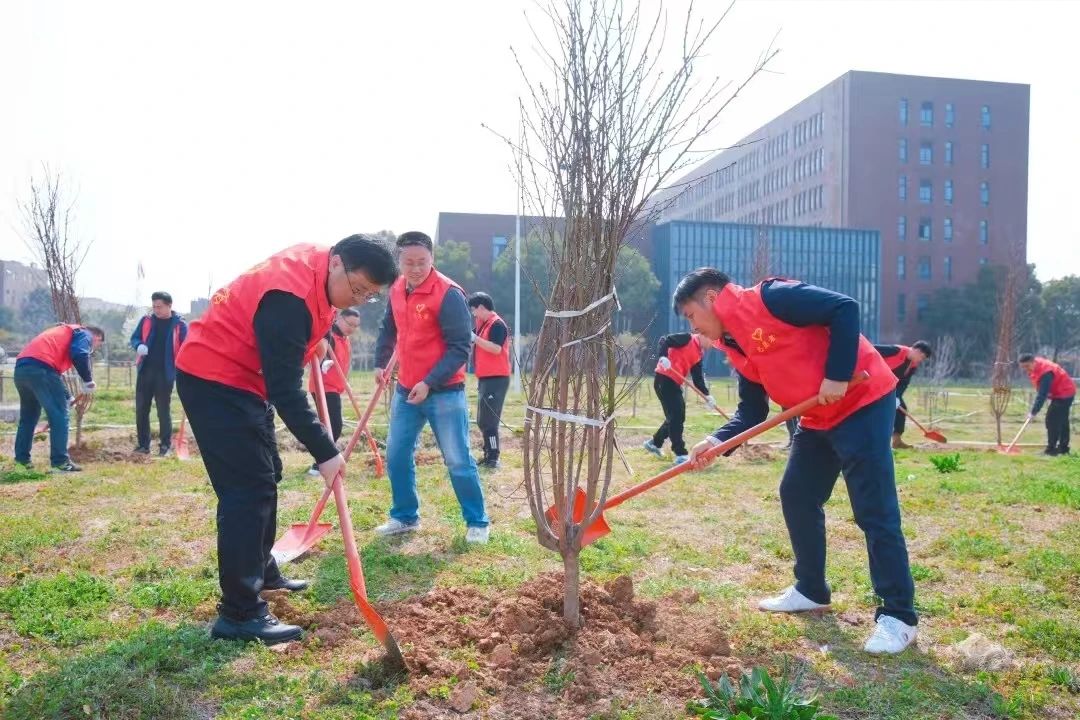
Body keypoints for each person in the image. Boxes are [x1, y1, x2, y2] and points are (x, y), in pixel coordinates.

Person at [676, 269, 917, 655]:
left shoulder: (772, 297)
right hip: (818, 416)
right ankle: (811, 589)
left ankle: (899, 616)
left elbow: (844, 308)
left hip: (862, 402)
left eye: (690, 315)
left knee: (873, 509)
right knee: (797, 494)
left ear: (710, 298)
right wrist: (716, 442)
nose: (693, 327)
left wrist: (837, 375)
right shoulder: (736, 344)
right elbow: (752, 410)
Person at [174, 235, 397, 645]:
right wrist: (325, 451)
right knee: (247, 489)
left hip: (245, 379)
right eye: (357, 288)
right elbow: (286, 391)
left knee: (267, 474)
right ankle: (239, 613)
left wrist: (318, 335)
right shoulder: (289, 299)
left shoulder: (318, 269)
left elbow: (307, 322)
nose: (357, 300)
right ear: (336, 262)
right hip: (215, 376)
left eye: (368, 296)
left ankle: (261, 570)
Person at [373, 231, 490, 543]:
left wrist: (429, 382)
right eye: (409, 262)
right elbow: (388, 328)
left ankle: (477, 522)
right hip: (406, 390)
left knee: (457, 458)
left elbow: (460, 348)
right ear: (399, 261)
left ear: (432, 259)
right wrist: (380, 362)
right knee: (397, 454)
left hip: (444, 391)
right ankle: (404, 516)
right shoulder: (396, 289)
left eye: (422, 262)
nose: (415, 269)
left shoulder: (449, 294)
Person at [14, 323, 105, 472]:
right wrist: (88, 380)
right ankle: (60, 463)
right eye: (98, 345)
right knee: (60, 416)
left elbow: (54, 374)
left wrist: (68, 397)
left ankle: (21, 462)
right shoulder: (84, 334)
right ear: (97, 337)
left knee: (28, 418)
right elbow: (79, 354)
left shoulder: (65, 332)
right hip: (41, 370)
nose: (94, 348)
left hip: (22, 370)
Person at [130, 291, 189, 455]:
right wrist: (138, 345)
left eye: (160, 306)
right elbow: (134, 338)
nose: (156, 310)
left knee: (163, 410)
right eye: (154, 306)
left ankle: (165, 446)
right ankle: (143, 445)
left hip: (165, 374)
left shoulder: (180, 325)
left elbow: (186, 348)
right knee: (141, 409)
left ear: (169, 306)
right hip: (145, 372)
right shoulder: (146, 321)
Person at [643, 332, 715, 465]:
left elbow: (698, 379)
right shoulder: (687, 338)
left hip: (674, 383)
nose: (713, 344)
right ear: (704, 335)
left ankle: (654, 443)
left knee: (675, 416)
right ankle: (680, 453)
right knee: (676, 416)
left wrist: (707, 395)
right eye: (712, 340)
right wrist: (663, 357)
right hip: (664, 379)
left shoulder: (699, 354)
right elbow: (666, 340)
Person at [306, 308, 361, 475]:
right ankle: (320, 462)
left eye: (355, 326)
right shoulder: (328, 336)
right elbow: (318, 355)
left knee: (330, 425)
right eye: (349, 324)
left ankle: (324, 459)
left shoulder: (345, 339)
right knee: (333, 426)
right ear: (339, 319)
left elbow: (344, 362)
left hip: (335, 387)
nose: (352, 328)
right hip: (323, 387)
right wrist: (324, 362)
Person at [467, 292, 511, 470]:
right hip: (485, 378)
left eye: (474, 310)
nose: (473, 314)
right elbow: (469, 338)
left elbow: (496, 348)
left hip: (497, 379)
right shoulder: (483, 324)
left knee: (490, 421)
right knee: (482, 420)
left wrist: (475, 339)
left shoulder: (497, 324)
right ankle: (487, 454)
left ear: (481, 307)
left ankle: (494, 457)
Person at [874, 341, 933, 450]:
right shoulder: (895, 350)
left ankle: (897, 440)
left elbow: (904, 383)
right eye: (922, 357)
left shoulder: (913, 365)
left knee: (902, 409)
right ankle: (875, 442)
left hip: (888, 389)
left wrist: (897, 396)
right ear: (917, 351)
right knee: (878, 412)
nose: (921, 360)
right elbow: (871, 350)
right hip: (872, 384)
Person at [1018, 353, 1075, 456]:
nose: (1025, 369)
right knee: (1062, 421)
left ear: (1033, 362)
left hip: (1064, 393)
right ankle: (1064, 449)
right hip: (1061, 392)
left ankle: (1051, 450)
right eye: (1023, 367)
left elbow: (1042, 394)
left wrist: (1033, 412)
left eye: (1027, 366)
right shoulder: (1036, 366)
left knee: (1051, 420)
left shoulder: (1046, 372)